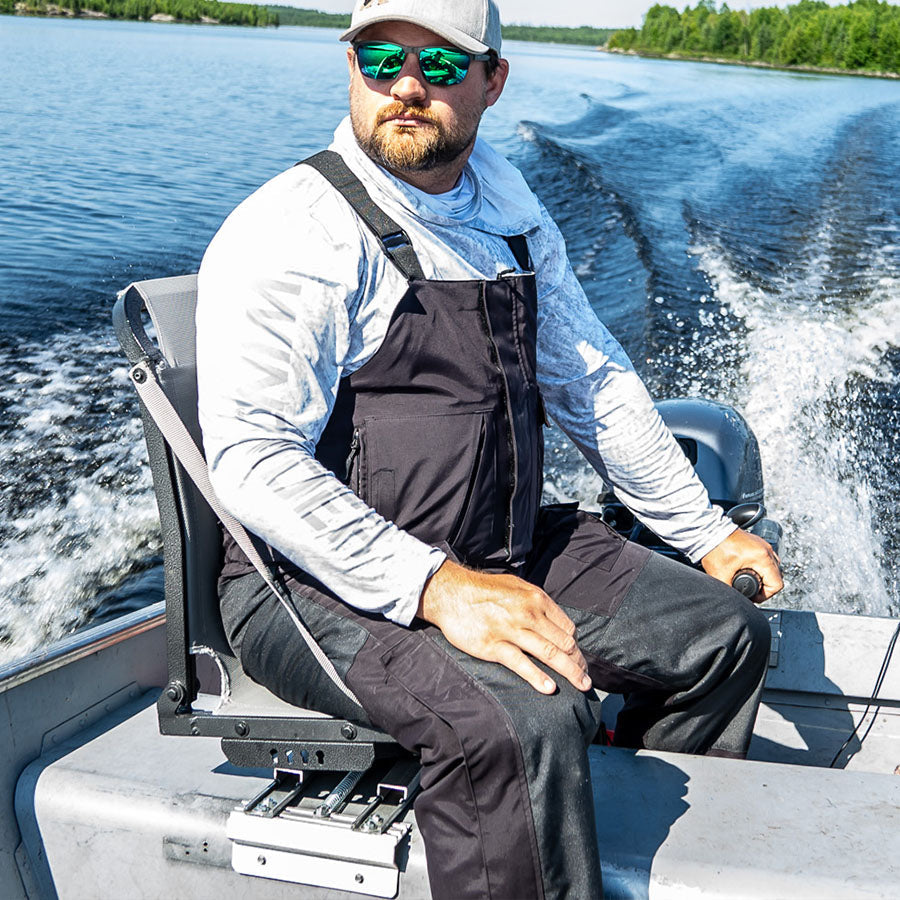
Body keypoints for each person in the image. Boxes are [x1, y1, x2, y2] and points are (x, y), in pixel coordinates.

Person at [195, 0, 783, 896]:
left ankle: (601, 855)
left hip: (493, 542)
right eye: (381, 59)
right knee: (523, 720)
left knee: (723, 636)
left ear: (492, 82)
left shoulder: (509, 216)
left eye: (439, 66)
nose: (405, 85)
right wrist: (439, 587)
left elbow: (591, 380)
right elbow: (252, 459)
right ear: (351, 68)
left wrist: (703, 532)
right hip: (311, 584)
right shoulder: (297, 229)